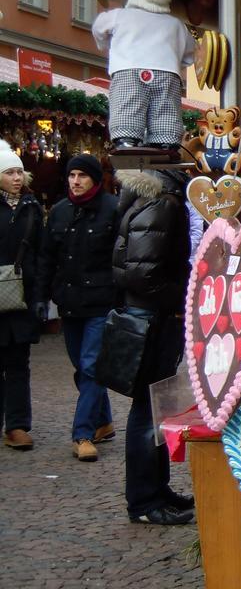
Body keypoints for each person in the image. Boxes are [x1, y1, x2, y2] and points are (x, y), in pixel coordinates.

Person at [112, 168, 194, 524]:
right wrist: (185, 298)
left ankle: (156, 490)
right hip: (153, 319)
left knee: (154, 409)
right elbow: (144, 273)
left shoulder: (149, 198)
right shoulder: (163, 201)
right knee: (148, 411)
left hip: (151, 316)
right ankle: (146, 502)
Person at [39, 154, 119, 462]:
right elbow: (47, 257)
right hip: (69, 302)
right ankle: (104, 421)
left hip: (101, 301)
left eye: (82, 176)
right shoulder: (60, 211)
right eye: (72, 175)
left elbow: (119, 257)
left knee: (90, 366)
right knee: (81, 366)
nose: (76, 181)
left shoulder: (112, 209)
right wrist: (41, 297)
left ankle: (82, 434)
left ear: (95, 180)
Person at [93, 0, 195, 151]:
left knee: (128, 105)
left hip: (128, 68)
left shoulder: (119, 16)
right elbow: (189, 54)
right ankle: (165, 140)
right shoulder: (176, 25)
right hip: (167, 71)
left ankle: (126, 138)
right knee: (165, 109)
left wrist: (106, 44)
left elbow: (99, 28)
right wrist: (176, 61)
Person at [0, 140, 45, 451]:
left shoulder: (32, 208)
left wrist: (39, 294)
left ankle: (17, 424)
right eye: (9, 172)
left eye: (19, 172)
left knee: (18, 363)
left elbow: (41, 253)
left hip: (22, 296)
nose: (17, 178)